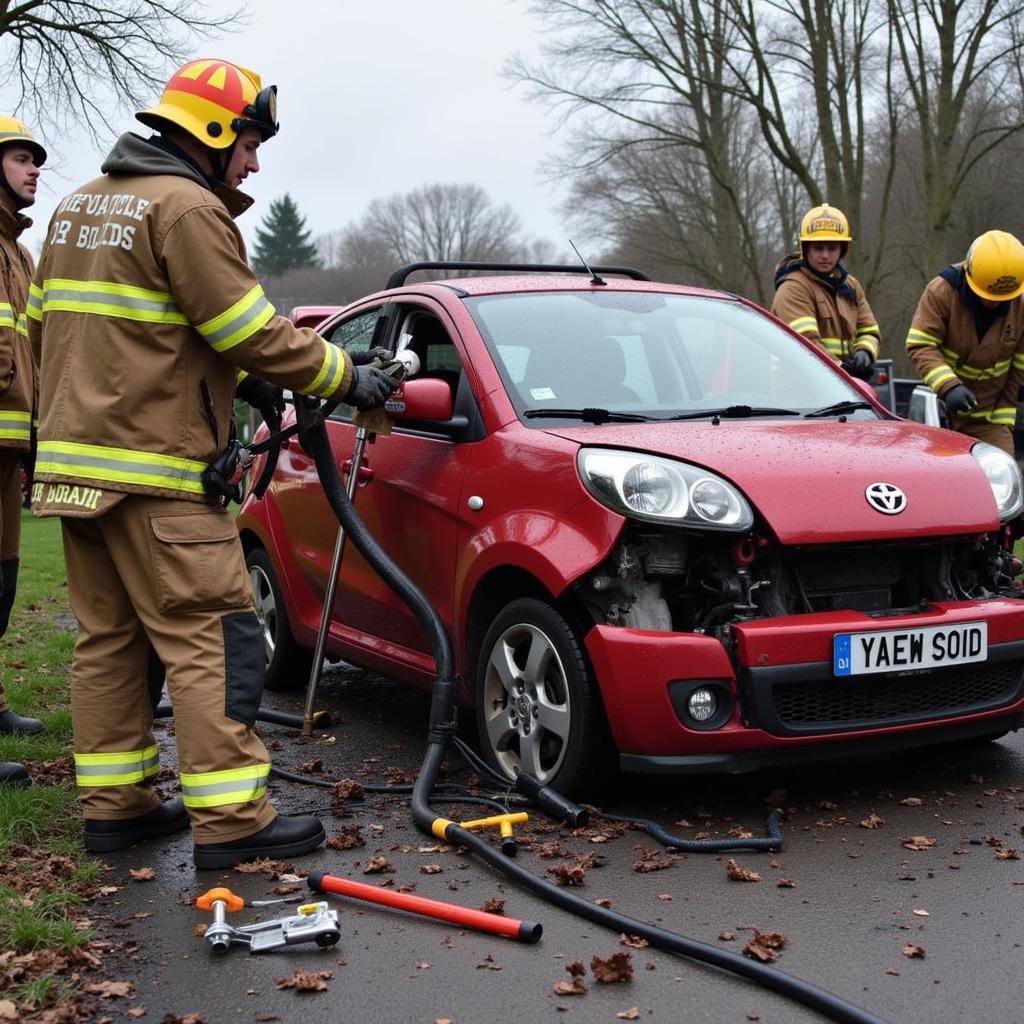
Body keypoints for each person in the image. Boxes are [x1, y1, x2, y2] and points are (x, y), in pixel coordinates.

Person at [26, 59, 397, 865]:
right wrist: (345, 375)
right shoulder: (187, 209)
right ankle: (234, 821)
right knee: (214, 636)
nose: (255, 163)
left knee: (111, 643)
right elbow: (247, 327)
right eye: (252, 143)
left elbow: (78, 334)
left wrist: (245, 383)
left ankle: (116, 808)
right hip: (158, 476)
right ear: (215, 131)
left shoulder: (76, 209)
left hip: (76, 476)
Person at [0, 116, 46, 788]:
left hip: (9, 444)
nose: (34, 168)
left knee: (2, 584)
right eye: (19, 158)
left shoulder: (19, 251)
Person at [905, 229, 1024, 455]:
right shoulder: (941, 292)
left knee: (1003, 479)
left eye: (1002, 300)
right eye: (987, 297)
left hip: (991, 419)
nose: (993, 305)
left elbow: (1020, 366)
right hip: (943, 415)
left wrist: (1006, 418)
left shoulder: (1020, 301)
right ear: (969, 275)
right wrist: (949, 387)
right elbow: (920, 344)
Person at [771, 203, 882, 379]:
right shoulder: (793, 288)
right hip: (800, 393)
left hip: (843, 388)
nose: (825, 255)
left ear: (842, 250)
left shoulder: (851, 286)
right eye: (818, 247)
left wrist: (865, 352)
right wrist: (843, 370)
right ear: (805, 248)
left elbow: (869, 330)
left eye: (832, 248)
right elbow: (805, 344)